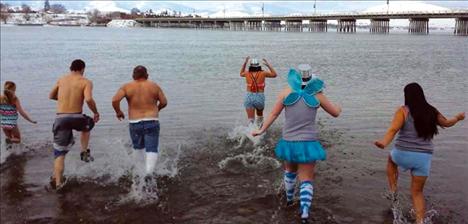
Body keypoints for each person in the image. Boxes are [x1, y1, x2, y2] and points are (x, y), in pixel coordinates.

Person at [252, 64, 341, 224]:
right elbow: (335, 113)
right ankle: (305, 211)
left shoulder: (286, 93)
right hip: (308, 142)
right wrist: (339, 108)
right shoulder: (317, 95)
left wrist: (261, 130)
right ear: (310, 78)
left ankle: (290, 200)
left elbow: (273, 114)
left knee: (290, 172)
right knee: (306, 178)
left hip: (289, 141)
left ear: (297, 78)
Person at [375, 82, 464, 224]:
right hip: (423, 158)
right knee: (417, 193)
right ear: (422, 94)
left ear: (406, 96)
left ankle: (393, 190)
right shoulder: (431, 111)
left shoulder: (403, 110)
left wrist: (384, 142)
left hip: (402, 154)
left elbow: (393, 129)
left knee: (391, 159)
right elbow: (447, 123)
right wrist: (458, 118)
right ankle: (420, 221)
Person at [49, 59, 100, 189]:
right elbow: (88, 99)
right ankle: (84, 151)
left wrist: (63, 99)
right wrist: (95, 112)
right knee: (88, 123)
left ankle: (58, 182)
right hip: (77, 117)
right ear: (83, 69)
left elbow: (51, 95)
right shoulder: (85, 82)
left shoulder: (61, 79)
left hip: (61, 118)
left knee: (59, 154)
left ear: (70, 68)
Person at [112, 65, 167, 176]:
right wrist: (157, 108)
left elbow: (115, 100)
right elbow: (164, 102)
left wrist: (118, 112)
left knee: (138, 148)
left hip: (134, 122)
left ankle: (137, 173)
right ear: (147, 75)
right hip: (152, 121)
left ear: (133, 76)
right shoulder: (154, 86)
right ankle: (148, 173)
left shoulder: (127, 87)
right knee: (151, 149)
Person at [240, 57, 277, 127]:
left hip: (249, 97)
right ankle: (260, 132)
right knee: (260, 117)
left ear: (250, 66)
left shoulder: (246, 73)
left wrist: (245, 62)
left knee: (251, 120)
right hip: (259, 97)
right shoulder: (263, 73)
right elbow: (274, 75)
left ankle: (250, 133)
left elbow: (241, 73)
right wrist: (268, 65)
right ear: (258, 65)